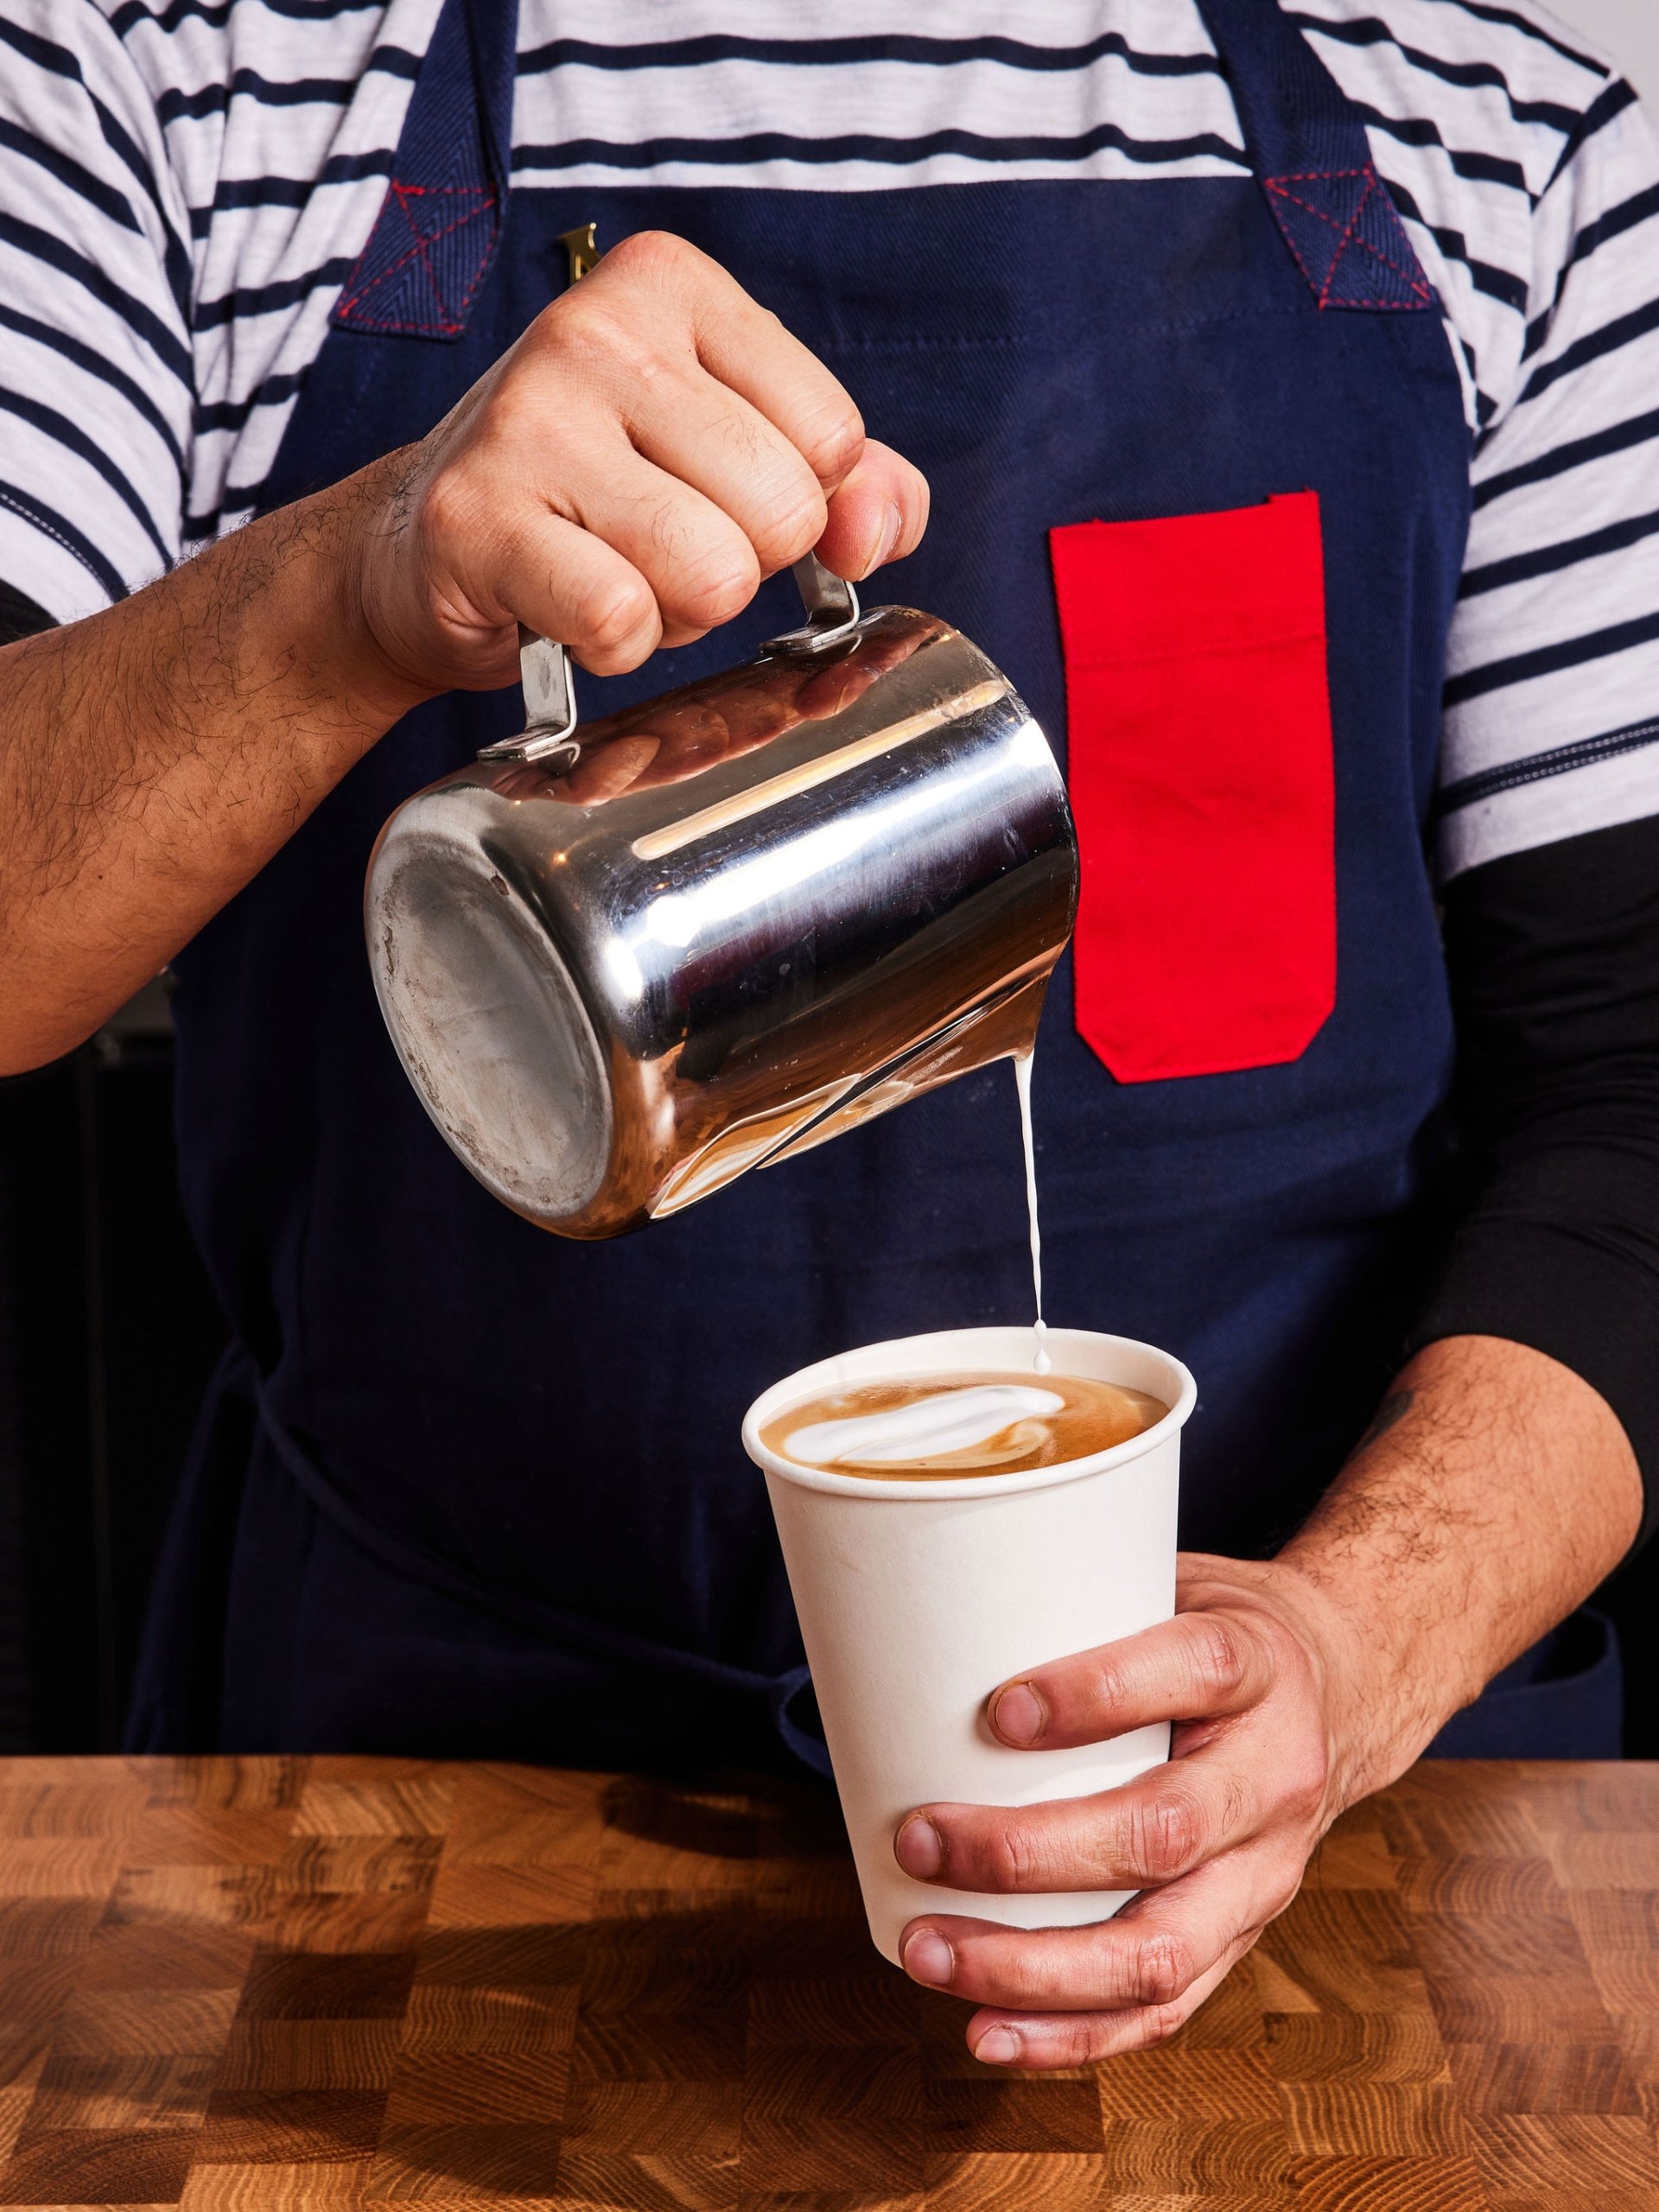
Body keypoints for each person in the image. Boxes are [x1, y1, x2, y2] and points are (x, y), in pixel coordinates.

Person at [1, 0, 1655, 2071]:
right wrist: (341, 582)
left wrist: (1351, 1640)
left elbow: (1638, 1107)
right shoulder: (180, 86)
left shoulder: (1495, 133)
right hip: (418, 1849)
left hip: (1320, 1867)